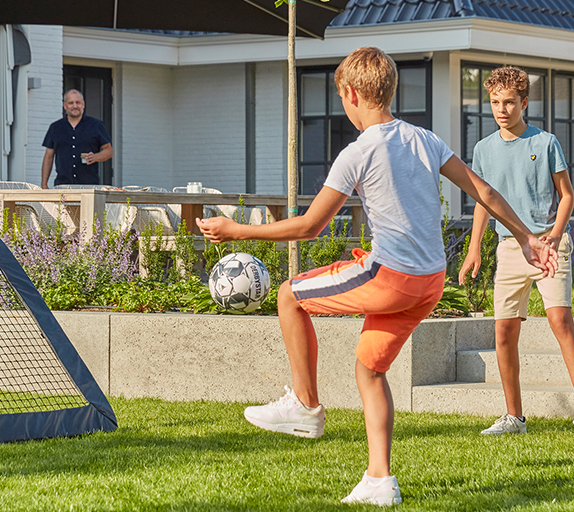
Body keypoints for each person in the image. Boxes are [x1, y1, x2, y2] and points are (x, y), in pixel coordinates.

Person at [196, 47, 557, 506]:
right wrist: (527, 237)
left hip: (391, 276)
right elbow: (482, 190)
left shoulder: (358, 151)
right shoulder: (425, 139)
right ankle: (379, 480)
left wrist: (236, 230)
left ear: (350, 95)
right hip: (429, 282)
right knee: (369, 369)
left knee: (289, 294)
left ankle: (305, 407)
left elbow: (310, 227)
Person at [458, 66, 574, 436]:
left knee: (561, 323)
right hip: (509, 248)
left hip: (548, 244)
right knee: (504, 332)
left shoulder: (545, 142)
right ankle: (514, 418)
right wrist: (474, 247)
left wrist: (555, 236)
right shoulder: (483, 149)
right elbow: (482, 201)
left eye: (509, 102)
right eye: (494, 102)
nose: (501, 109)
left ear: (524, 102)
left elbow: (567, 195)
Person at [41, 89, 113, 188]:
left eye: (78, 102)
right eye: (71, 103)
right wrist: (44, 184)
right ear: (65, 106)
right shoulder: (55, 127)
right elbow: (48, 156)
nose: (75, 106)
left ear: (83, 104)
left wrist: (96, 157)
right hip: (63, 185)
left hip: (89, 186)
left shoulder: (96, 125)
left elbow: (109, 151)